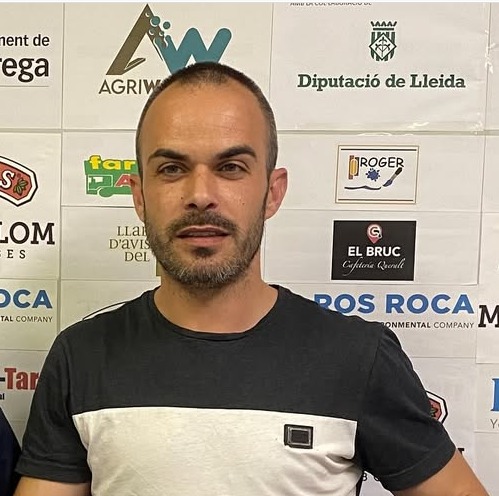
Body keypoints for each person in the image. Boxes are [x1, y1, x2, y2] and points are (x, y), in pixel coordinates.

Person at [14, 62, 488, 496]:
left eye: (231, 168)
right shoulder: (81, 356)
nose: (201, 195)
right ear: (139, 196)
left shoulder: (358, 357)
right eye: (172, 169)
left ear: (272, 192)